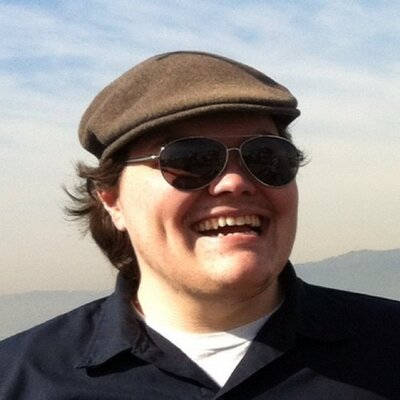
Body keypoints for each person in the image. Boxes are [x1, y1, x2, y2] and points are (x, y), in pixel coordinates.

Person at [0, 51, 399, 399]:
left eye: (265, 157)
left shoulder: (388, 348)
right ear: (111, 200)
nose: (235, 182)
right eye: (189, 160)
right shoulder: (20, 380)